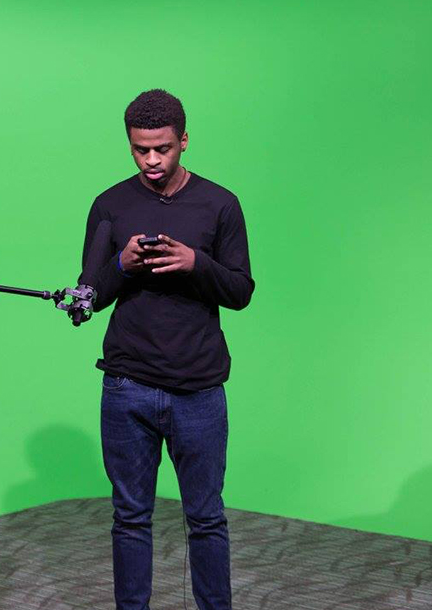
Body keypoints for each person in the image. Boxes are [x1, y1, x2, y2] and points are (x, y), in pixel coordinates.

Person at [79, 89, 254, 610]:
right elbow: (86, 299)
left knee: (206, 518)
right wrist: (121, 266)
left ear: (184, 140)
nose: (151, 161)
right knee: (130, 518)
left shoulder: (220, 204)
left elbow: (241, 291)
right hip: (126, 387)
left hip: (198, 391)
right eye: (139, 150)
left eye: (162, 149)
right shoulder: (109, 205)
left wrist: (194, 263)